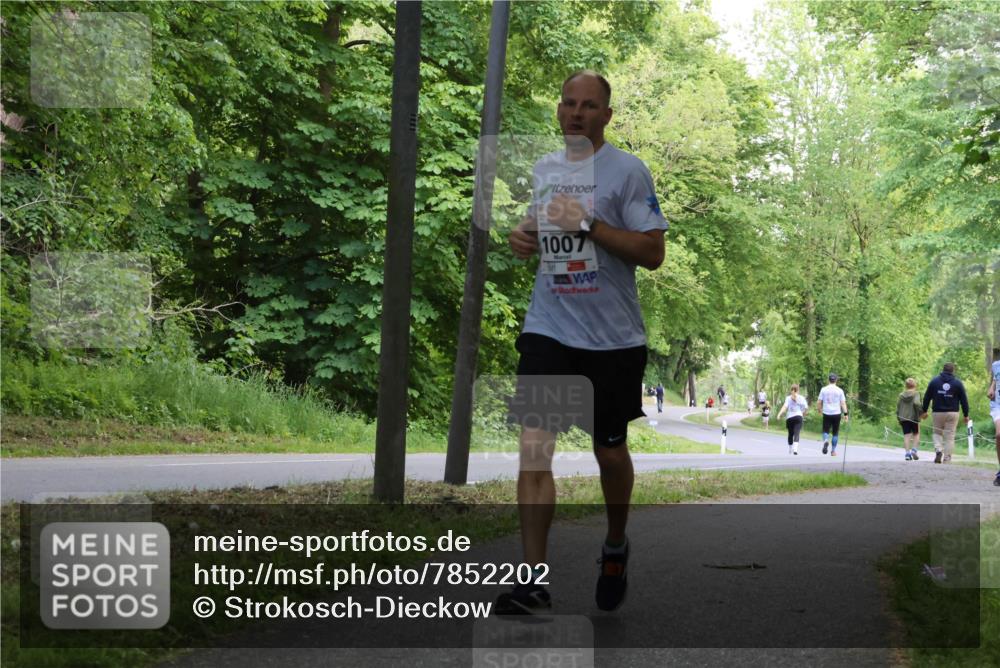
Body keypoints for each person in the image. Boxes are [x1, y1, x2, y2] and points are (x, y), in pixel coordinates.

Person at [501, 70, 668, 615]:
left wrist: (591, 225)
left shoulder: (627, 172)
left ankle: (615, 544)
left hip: (613, 340)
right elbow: (540, 227)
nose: (576, 113)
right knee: (534, 448)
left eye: (589, 106)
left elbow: (651, 252)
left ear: (607, 115)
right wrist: (523, 235)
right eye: (569, 103)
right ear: (559, 110)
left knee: (609, 451)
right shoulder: (546, 169)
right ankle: (533, 581)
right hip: (550, 328)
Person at [921, 362, 970, 464]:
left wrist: (924, 411)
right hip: (953, 413)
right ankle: (947, 458)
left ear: (943, 370)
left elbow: (927, 397)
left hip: (937, 412)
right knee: (950, 436)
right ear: (953, 370)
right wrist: (966, 415)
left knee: (937, 432)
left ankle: (938, 450)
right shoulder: (958, 383)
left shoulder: (934, 381)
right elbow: (964, 400)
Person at [817, 373, 849, 456]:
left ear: (828, 380)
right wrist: (846, 414)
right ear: (836, 380)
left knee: (825, 430)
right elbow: (843, 403)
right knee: (835, 432)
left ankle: (826, 440)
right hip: (836, 414)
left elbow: (819, 402)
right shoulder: (840, 390)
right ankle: (833, 451)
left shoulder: (823, 389)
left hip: (827, 413)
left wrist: (819, 410)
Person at [776, 384, 808, 455]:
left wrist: (779, 414)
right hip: (798, 417)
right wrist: (804, 414)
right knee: (797, 433)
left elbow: (784, 407)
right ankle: (795, 449)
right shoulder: (801, 397)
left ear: (791, 390)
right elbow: (806, 408)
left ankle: (790, 448)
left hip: (790, 418)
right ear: (798, 390)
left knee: (790, 434)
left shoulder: (788, 398)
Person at [896, 378, 922, 461]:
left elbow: (898, 407)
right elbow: (917, 403)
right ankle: (914, 450)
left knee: (906, 435)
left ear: (906, 385)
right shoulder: (916, 393)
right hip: (914, 417)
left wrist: (898, 418)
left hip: (903, 418)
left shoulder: (901, 395)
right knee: (916, 434)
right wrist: (921, 412)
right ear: (915, 385)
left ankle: (907, 454)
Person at [988, 347, 1000, 486]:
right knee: (999, 435)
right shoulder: (996, 365)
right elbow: (996, 379)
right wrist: (991, 387)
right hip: (998, 405)